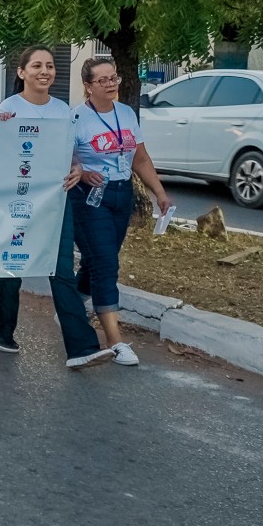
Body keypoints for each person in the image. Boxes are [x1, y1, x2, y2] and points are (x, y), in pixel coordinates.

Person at [0, 46, 116, 370]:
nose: (45, 71)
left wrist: (77, 168)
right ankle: (1, 331)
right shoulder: (9, 108)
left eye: (50, 66)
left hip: (56, 201)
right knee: (13, 268)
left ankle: (82, 348)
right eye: (37, 66)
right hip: (18, 199)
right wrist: (0, 129)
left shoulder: (64, 111)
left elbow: (71, 155)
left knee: (62, 271)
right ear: (21, 72)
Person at [71, 56, 174, 367]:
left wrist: (159, 193)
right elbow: (65, 160)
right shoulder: (76, 119)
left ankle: (72, 305)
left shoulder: (126, 113)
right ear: (88, 87)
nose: (110, 84)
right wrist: (83, 172)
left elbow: (140, 158)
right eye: (101, 80)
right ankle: (115, 342)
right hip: (89, 197)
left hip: (121, 193)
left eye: (113, 78)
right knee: (105, 265)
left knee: (99, 259)